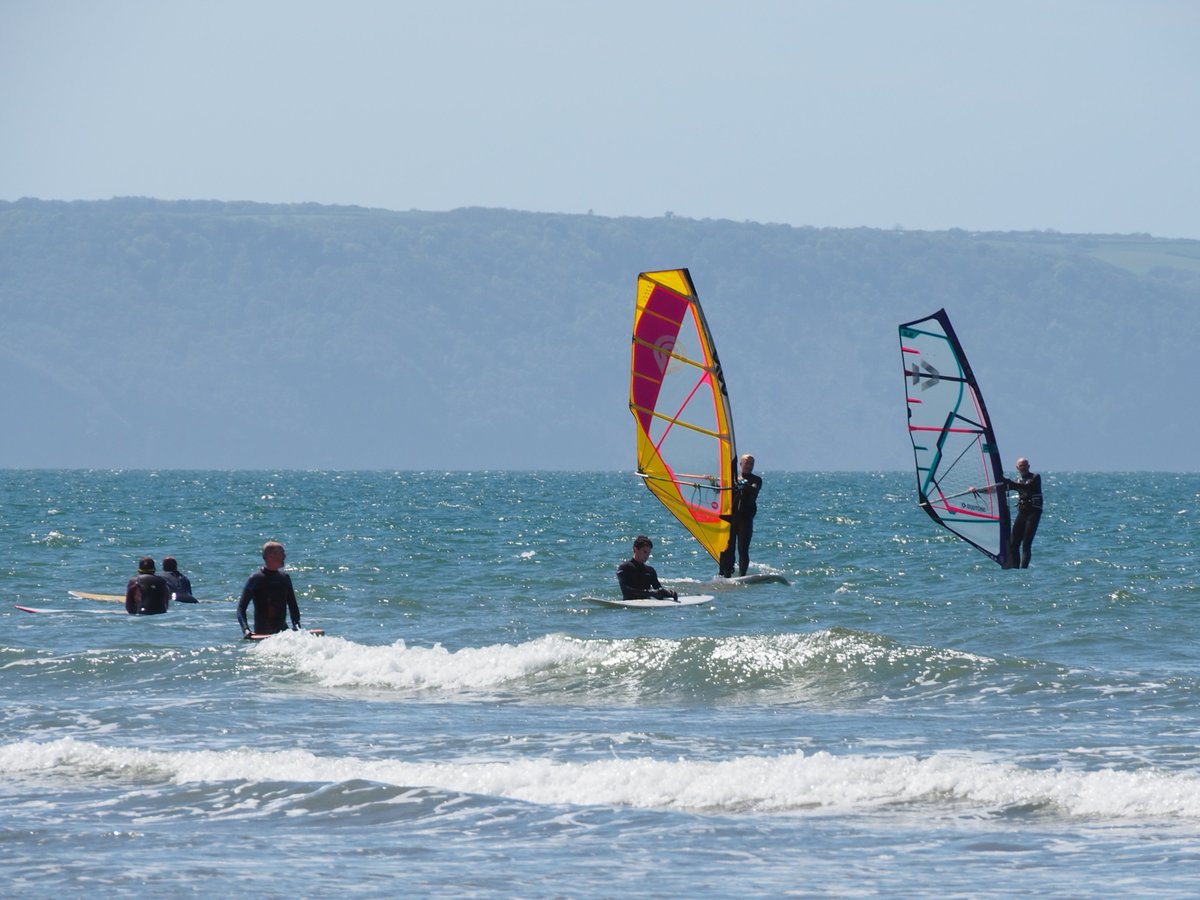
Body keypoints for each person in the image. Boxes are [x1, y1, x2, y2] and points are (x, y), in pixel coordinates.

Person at [237, 541, 301, 638]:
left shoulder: (284, 578)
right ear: (270, 556)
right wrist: (246, 630)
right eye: (281, 553)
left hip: (282, 632)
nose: (284, 556)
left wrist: (297, 627)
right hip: (262, 634)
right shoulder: (256, 579)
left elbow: (293, 606)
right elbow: (241, 608)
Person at [718, 454, 763, 578]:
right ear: (741, 464)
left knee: (743, 549)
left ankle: (742, 576)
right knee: (727, 549)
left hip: (745, 519)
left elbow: (754, 490)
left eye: (751, 464)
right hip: (731, 519)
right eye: (747, 463)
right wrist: (714, 482)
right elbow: (719, 491)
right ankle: (725, 575)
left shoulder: (756, 480)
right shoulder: (732, 479)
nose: (749, 466)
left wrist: (745, 484)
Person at [1004, 457, 1043, 569]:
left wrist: (1009, 482)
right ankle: (1016, 569)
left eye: (1026, 465)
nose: (1024, 468)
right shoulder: (1018, 481)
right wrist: (976, 490)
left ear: (1029, 466)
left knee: (1026, 544)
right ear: (1017, 468)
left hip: (1033, 513)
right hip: (1022, 513)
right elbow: (998, 489)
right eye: (1021, 466)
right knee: (1013, 544)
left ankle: (1024, 571)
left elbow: (1026, 487)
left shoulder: (1035, 477)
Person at [616, 535, 678, 601]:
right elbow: (626, 590)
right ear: (635, 549)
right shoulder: (624, 567)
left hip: (647, 609)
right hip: (629, 608)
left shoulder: (650, 571)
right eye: (645, 552)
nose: (647, 555)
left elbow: (659, 591)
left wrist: (669, 593)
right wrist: (651, 592)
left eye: (649, 553)